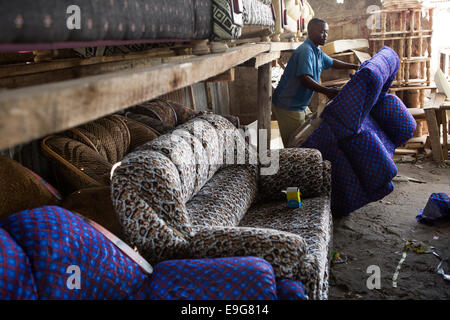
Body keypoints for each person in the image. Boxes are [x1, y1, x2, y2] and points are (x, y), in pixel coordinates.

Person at [272, 18, 360, 146]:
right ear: (311, 32)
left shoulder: (317, 51)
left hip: (300, 104)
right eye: (321, 32)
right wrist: (327, 91)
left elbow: (332, 62)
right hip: (287, 105)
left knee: (310, 131)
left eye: (326, 32)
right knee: (296, 144)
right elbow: (305, 79)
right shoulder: (306, 51)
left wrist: (354, 67)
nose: (325, 35)